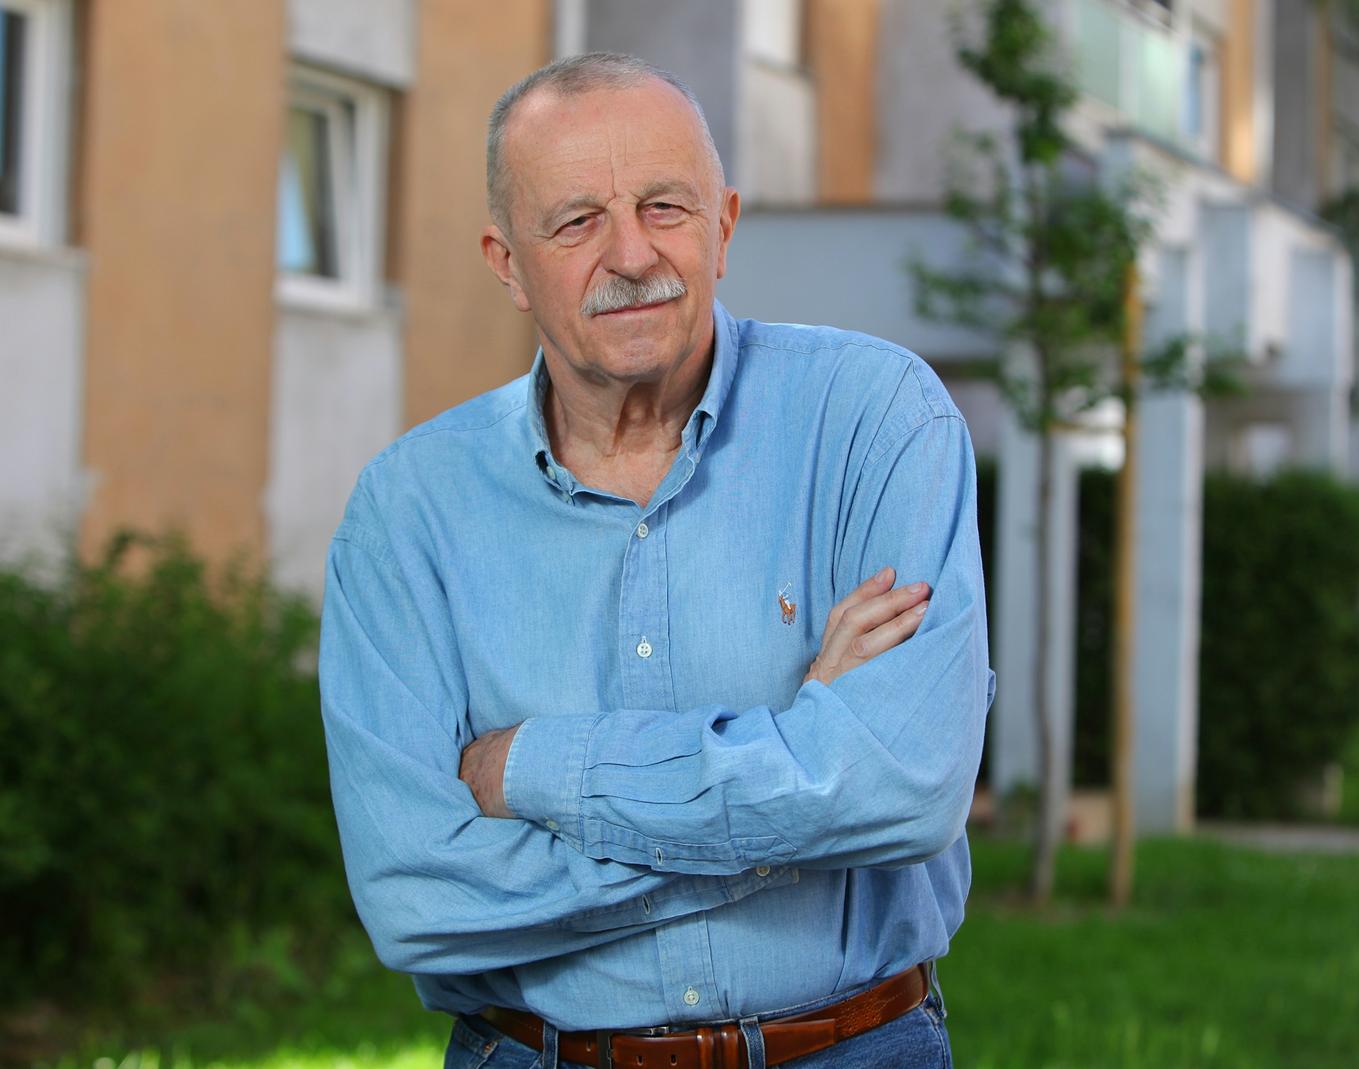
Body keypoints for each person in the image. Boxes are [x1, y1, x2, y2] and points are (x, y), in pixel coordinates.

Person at [318, 51, 994, 1069]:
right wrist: (795, 806)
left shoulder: (875, 422)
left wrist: (534, 768)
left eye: (664, 207)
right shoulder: (407, 511)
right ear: (506, 262)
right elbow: (420, 902)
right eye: (577, 220)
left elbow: (902, 788)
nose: (631, 253)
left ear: (722, 226)